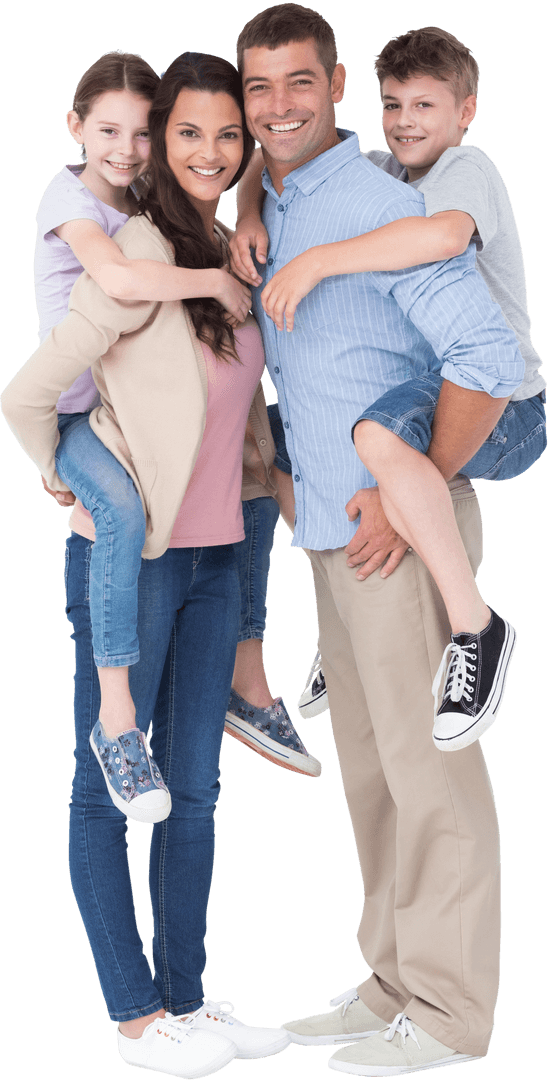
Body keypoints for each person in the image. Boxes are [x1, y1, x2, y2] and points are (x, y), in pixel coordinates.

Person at [233, 4, 528, 1073]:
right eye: (257, 87)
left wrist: (418, 483)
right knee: (370, 776)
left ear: (337, 83)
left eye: (296, 83)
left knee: (429, 777)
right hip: (327, 535)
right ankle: (390, 983)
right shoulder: (276, 199)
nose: (276, 106)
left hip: (394, 536)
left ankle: (449, 1018)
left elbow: (488, 359)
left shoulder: (373, 203)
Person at [1, 50, 292, 1077]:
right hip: (133, 560)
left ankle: (185, 1003)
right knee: (102, 793)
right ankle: (134, 1022)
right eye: (188, 134)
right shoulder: (124, 245)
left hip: (216, 557)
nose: (209, 152)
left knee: (197, 794)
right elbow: (29, 391)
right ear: (154, 145)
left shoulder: (225, 243)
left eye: (229, 134)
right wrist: (56, 472)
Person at [231, 24, 546, 749]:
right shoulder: (386, 170)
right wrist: (248, 210)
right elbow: (268, 155)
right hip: (441, 385)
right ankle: (336, 636)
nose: (406, 122)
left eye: (426, 107)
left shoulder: (468, 169)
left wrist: (315, 264)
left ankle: (479, 628)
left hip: (508, 402)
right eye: (395, 105)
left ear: (466, 111)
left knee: (371, 435)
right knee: (275, 444)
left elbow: (437, 240)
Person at [27, 49, 320, 782]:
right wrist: (49, 468)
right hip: (77, 426)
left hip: (155, 464)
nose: (123, 152)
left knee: (276, 452)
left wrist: (246, 212)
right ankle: (118, 718)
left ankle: (263, 668)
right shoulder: (87, 216)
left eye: (137, 135)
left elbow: (238, 164)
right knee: (122, 512)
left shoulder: (156, 209)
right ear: (77, 128)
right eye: (110, 134)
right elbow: (123, 281)